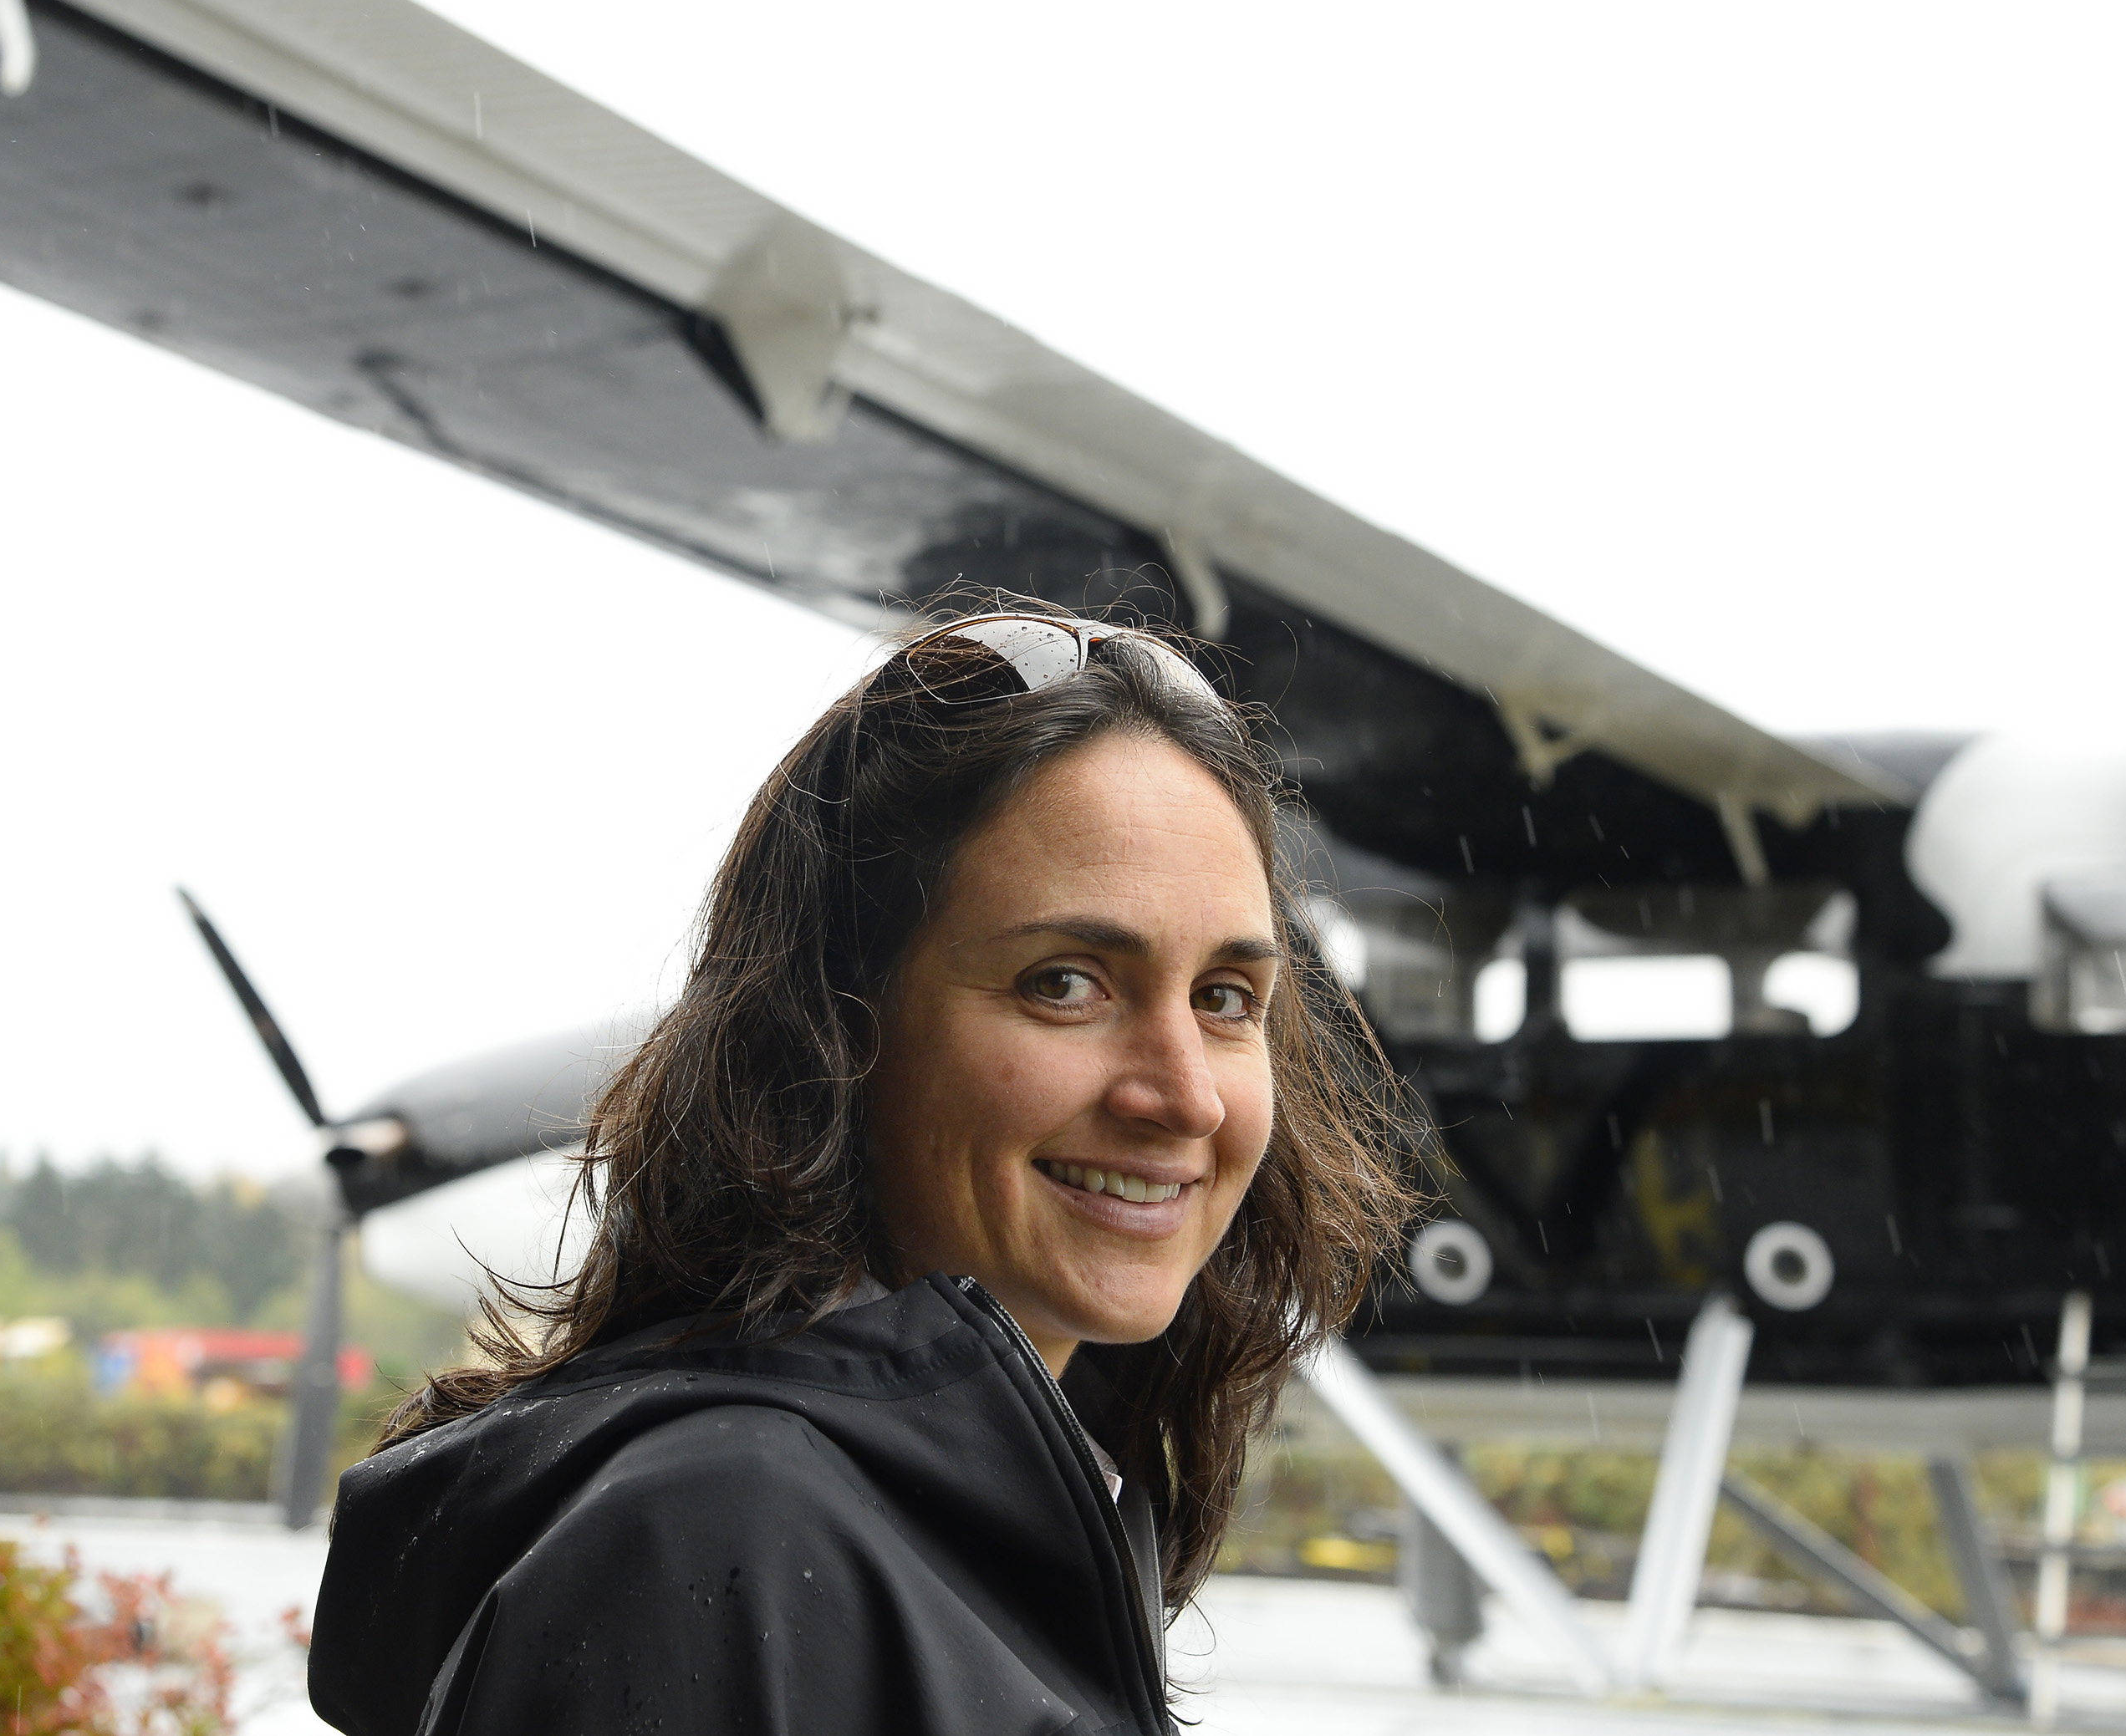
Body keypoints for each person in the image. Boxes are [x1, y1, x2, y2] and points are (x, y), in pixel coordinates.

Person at [308, 602, 1415, 1736]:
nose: (1183, 1094)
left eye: (1226, 998)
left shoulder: (999, 1517)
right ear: (833, 1024)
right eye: (1065, 982)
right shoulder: (716, 1544)